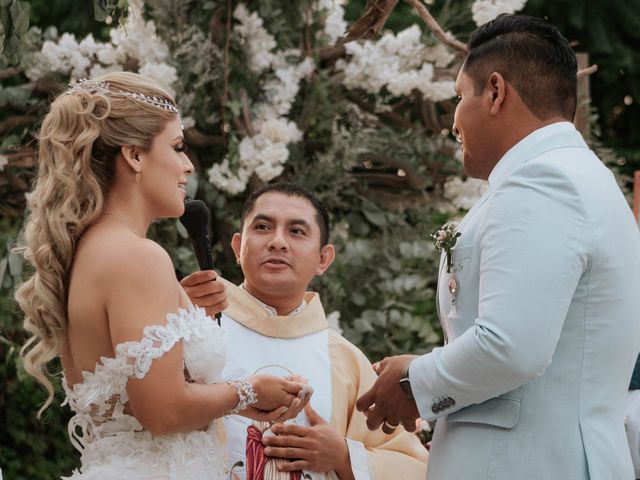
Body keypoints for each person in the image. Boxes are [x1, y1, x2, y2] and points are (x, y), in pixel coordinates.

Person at [356, 13, 640, 480]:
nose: (453, 122)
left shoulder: (543, 182)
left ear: (494, 92)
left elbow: (511, 348)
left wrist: (413, 382)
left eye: (458, 97)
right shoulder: (578, 176)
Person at [15, 72, 310, 479]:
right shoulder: (139, 257)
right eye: (176, 147)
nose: (187, 165)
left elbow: (138, 400)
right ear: (134, 155)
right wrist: (249, 391)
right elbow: (163, 411)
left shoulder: (87, 250)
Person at [180, 182, 428, 480]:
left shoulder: (346, 360)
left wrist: (342, 455)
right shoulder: (197, 327)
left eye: (296, 231)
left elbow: (415, 467)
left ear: (323, 259)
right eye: (262, 227)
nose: (278, 242)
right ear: (237, 246)